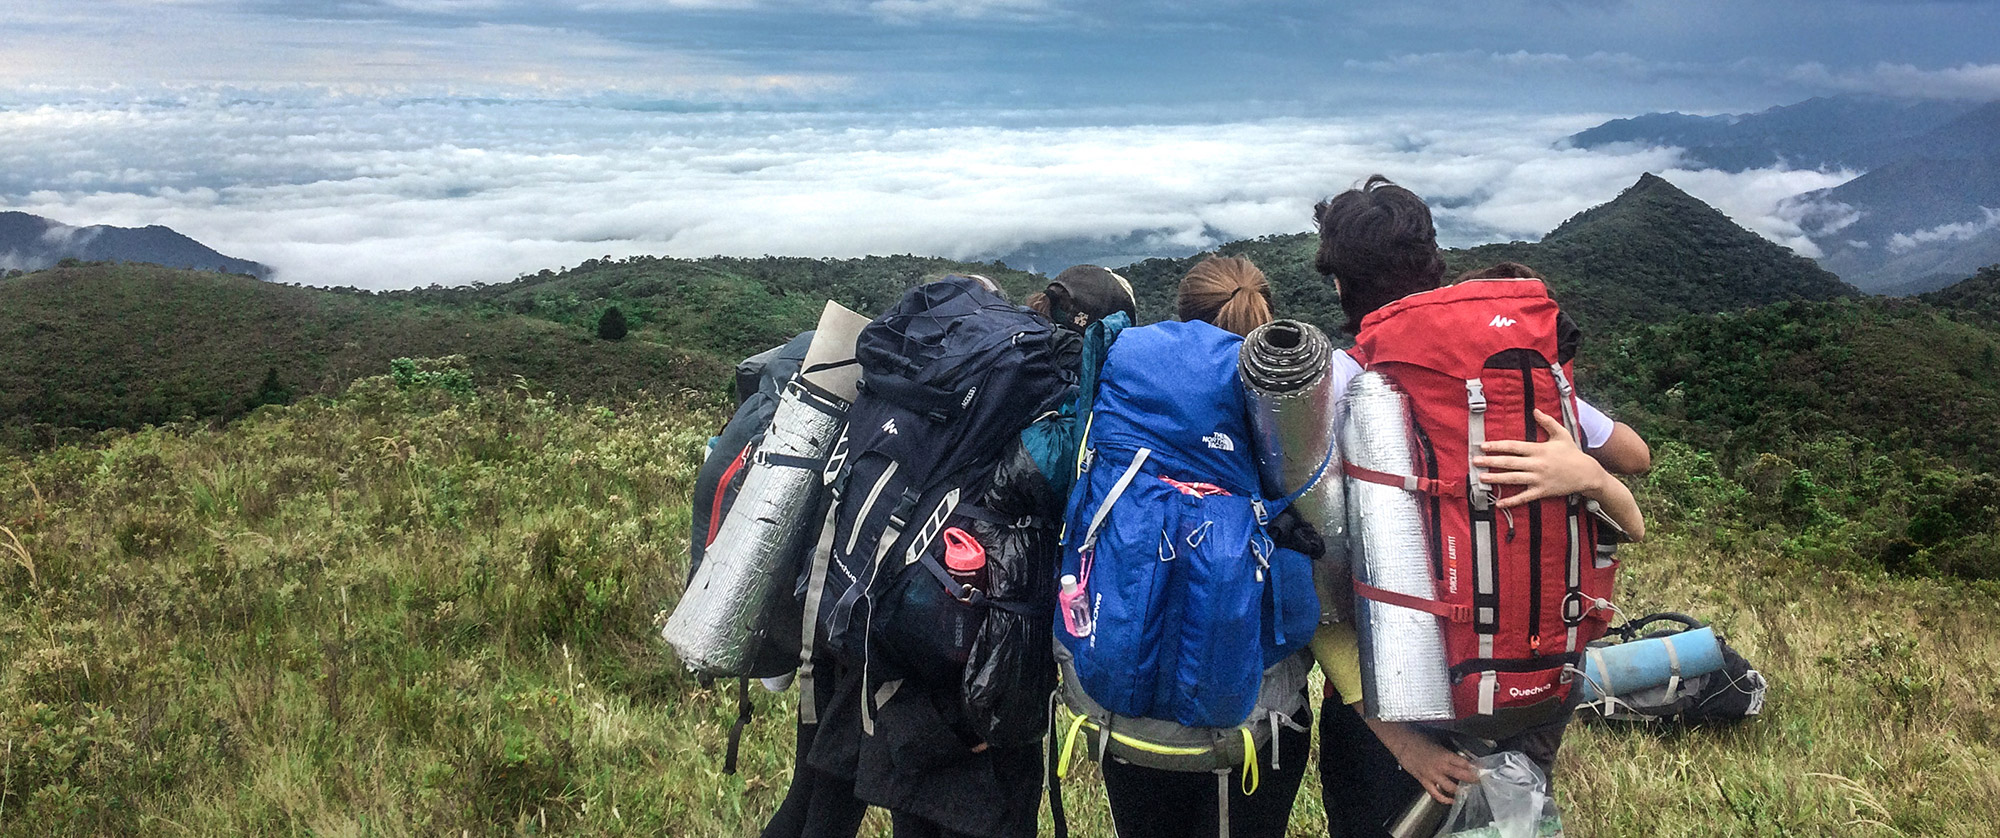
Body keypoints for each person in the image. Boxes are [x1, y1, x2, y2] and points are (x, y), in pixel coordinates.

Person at [1307, 176, 1650, 838]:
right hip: (1524, 681)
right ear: (1433, 262)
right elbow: (1633, 454)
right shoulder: (1500, 384)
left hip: (1394, 697)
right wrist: (1580, 468)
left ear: (1341, 285)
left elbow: (1312, 571)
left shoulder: (1345, 385)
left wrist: (1399, 741)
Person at [783, 269, 1136, 838]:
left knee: (909, 813)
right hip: (979, 670)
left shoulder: (942, 366)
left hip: (887, 633)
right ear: (1088, 327)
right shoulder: (1046, 392)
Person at [1092, 254, 1317, 838]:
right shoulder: (1287, 407)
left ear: (1182, 311)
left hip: (1121, 708)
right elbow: (1301, 606)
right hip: (1249, 723)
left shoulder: (1118, 370)